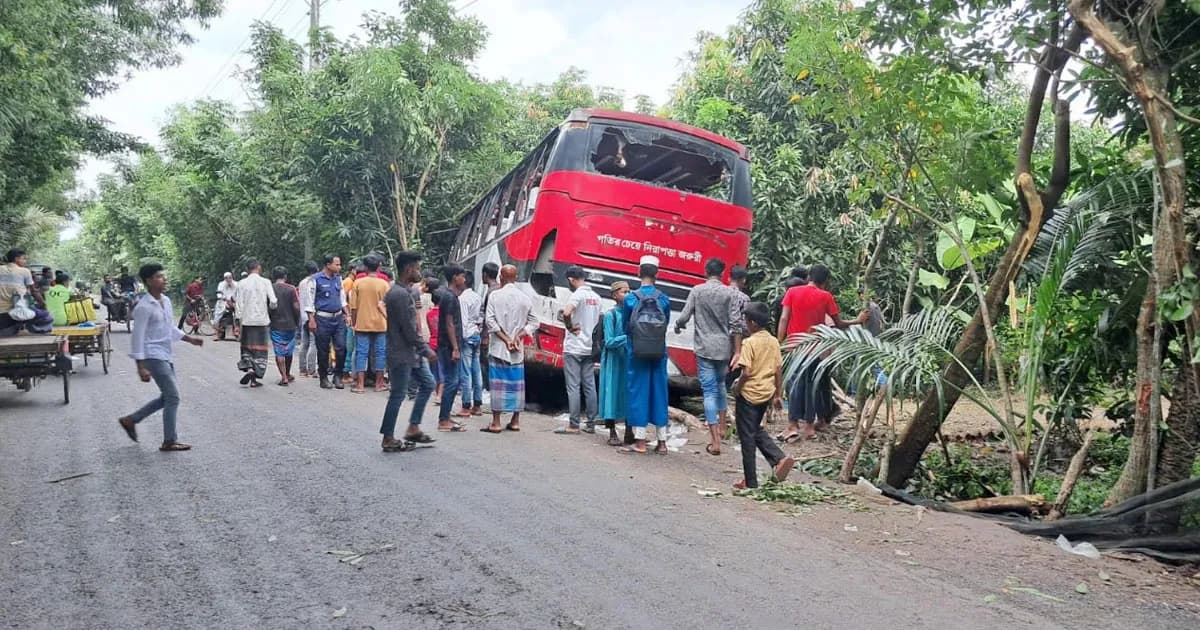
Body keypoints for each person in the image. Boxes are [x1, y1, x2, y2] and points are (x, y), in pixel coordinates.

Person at [117, 263, 204, 451]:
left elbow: (169, 328)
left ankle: (131, 419)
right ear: (148, 281)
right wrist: (140, 366)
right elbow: (137, 336)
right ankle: (169, 440)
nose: (164, 279)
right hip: (152, 355)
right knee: (173, 397)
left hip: (165, 354)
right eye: (158, 277)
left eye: (163, 276)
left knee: (166, 397)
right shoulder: (143, 307)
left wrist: (190, 339)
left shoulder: (166, 301)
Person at [777, 264, 867, 441]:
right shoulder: (826, 296)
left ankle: (792, 425)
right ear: (825, 281)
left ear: (809, 276)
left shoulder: (793, 292)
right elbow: (838, 323)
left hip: (795, 347)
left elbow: (784, 318)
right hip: (815, 348)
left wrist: (780, 342)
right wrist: (857, 320)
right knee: (812, 386)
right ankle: (809, 426)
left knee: (795, 386)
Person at [674, 258, 738, 455]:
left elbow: (684, 316)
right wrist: (737, 351)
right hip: (724, 348)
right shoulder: (730, 293)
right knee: (720, 387)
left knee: (708, 392)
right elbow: (736, 323)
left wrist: (678, 325)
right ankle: (722, 426)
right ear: (723, 274)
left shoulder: (698, 290)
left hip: (704, 348)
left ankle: (715, 441)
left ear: (705, 271)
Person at [379, 251, 438, 451]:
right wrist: (425, 349)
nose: (419, 271)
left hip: (411, 352)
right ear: (408, 269)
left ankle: (413, 427)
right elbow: (407, 328)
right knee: (398, 394)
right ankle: (388, 437)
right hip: (401, 352)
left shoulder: (405, 292)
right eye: (417, 267)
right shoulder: (399, 294)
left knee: (428, 383)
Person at [732, 302, 795, 489]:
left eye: (746, 321)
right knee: (754, 429)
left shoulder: (749, 343)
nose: (745, 324)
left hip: (749, 393)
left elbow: (747, 372)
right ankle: (778, 459)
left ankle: (752, 480)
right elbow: (778, 370)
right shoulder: (774, 341)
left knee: (747, 437)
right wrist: (777, 394)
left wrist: (738, 388)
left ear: (752, 322)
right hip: (766, 393)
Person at [621, 256, 672, 454]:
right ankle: (662, 442)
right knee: (659, 392)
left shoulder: (630, 298)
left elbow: (626, 326)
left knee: (638, 391)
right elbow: (664, 324)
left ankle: (640, 441)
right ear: (657, 275)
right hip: (659, 351)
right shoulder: (664, 299)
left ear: (638, 272)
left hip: (637, 350)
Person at [481, 264, 538, 434]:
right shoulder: (525, 298)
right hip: (517, 349)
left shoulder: (494, 296)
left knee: (498, 385)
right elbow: (535, 322)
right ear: (515, 277)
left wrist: (506, 339)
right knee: (516, 385)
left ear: (501, 277)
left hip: (499, 347)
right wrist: (519, 337)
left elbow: (490, 321)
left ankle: (496, 422)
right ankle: (515, 421)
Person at [556, 265, 601, 434]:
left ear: (571, 280)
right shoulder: (596, 297)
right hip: (589, 347)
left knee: (573, 386)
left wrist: (569, 327)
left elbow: (567, 313)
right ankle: (591, 423)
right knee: (589, 385)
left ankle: (574, 424)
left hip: (574, 347)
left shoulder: (577, 295)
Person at [306, 254, 349, 390]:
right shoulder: (315, 280)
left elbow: (342, 298)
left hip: (338, 317)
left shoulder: (338, 279)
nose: (339, 267)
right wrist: (311, 320)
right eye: (337, 264)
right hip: (322, 318)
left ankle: (338, 375)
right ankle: (323, 377)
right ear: (328, 265)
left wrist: (347, 314)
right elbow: (309, 301)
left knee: (342, 348)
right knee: (323, 350)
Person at [598, 281, 633, 446]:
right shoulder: (610, 315)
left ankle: (629, 431)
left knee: (628, 394)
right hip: (613, 360)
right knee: (611, 393)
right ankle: (612, 431)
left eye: (628, 291)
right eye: (623, 292)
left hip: (628, 360)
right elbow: (609, 341)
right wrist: (628, 338)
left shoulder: (633, 314)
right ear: (614, 295)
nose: (627, 294)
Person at [350, 255, 390, 394]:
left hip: (362, 323)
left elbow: (353, 307)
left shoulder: (358, 283)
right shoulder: (384, 284)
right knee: (380, 353)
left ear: (365, 267)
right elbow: (388, 305)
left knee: (362, 353)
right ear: (378, 267)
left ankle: (360, 385)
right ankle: (379, 384)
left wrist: (354, 322)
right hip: (380, 324)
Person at [234, 259, 277, 388]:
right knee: (260, 350)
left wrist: (237, 322)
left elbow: (239, 305)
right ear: (258, 267)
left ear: (247, 269)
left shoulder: (241, 283)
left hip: (247, 321)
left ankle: (249, 368)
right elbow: (274, 301)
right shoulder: (266, 282)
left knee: (247, 348)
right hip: (262, 321)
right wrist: (270, 309)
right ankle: (255, 377)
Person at [435, 265, 467, 431]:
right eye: (462, 276)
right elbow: (449, 323)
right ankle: (443, 419)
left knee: (453, 381)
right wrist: (455, 347)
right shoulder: (449, 297)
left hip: (449, 345)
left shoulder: (450, 296)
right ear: (455, 277)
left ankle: (446, 417)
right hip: (448, 346)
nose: (464, 279)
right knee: (452, 381)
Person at [0, 248, 53, 336]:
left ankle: (19, 328)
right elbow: (34, 291)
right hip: (17, 311)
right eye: (23, 258)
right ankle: (30, 332)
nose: (25, 261)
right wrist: (43, 304)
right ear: (17, 259)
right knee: (46, 316)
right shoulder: (24, 271)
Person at [456, 271, 484, 416]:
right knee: (476, 370)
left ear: (465, 280)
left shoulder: (463, 299)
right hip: (476, 334)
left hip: (467, 336)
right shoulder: (477, 297)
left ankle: (466, 405)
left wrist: (461, 339)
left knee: (466, 372)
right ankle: (477, 405)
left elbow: (463, 321)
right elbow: (480, 317)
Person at [269, 266, 301, 386]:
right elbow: (297, 307)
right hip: (290, 324)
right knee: (288, 350)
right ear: (285, 276)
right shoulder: (291, 289)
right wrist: (297, 320)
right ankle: (287, 373)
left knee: (279, 351)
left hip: (276, 324)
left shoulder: (270, 289)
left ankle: (283, 376)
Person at [296, 261, 320, 377]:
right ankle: (312, 369)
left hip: (303, 315)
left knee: (304, 343)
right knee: (313, 343)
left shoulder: (301, 283)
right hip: (312, 316)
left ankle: (302, 369)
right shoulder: (314, 282)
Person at [479, 262, 501, 390]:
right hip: (499, 333)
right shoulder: (500, 288)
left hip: (490, 334)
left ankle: (488, 389)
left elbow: (489, 317)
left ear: (485, 274)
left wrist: (485, 336)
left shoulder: (491, 292)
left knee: (485, 363)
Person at [424, 277, 443, 403]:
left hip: (432, 342)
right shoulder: (444, 313)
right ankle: (439, 395)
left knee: (434, 370)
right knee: (442, 370)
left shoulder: (429, 314)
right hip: (442, 344)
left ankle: (436, 392)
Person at [213, 272, 238, 340]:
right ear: (224, 279)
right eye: (227, 278)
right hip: (222, 302)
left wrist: (234, 301)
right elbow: (219, 294)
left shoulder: (236, 284)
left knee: (239, 315)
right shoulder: (221, 284)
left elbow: (239, 293)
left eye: (230, 277)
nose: (229, 279)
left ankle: (237, 331)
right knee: (217, 317)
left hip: (234, 302)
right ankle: (216, 334)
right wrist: (224, 299)